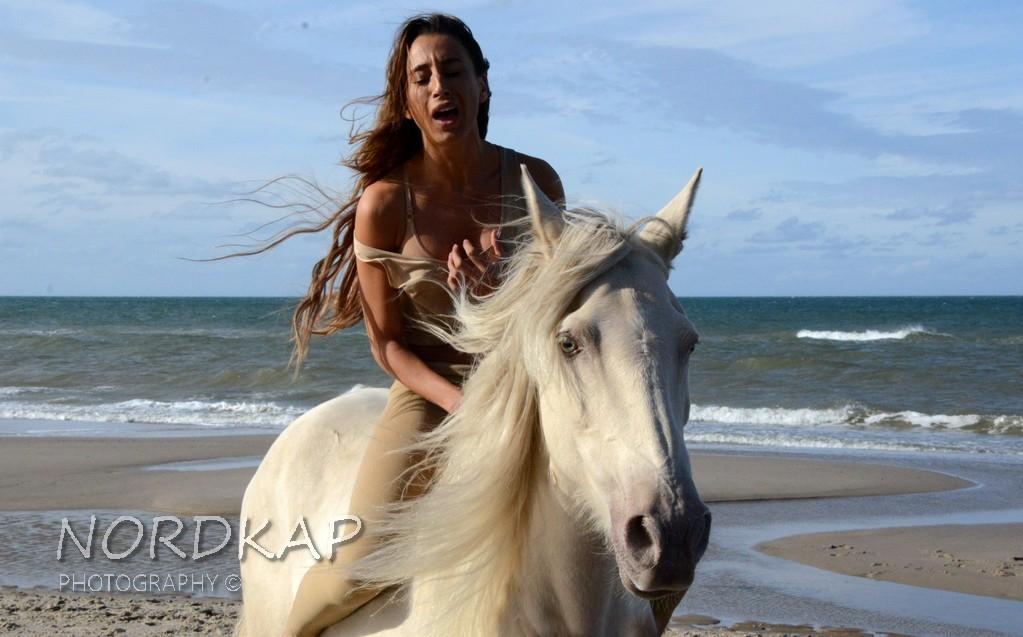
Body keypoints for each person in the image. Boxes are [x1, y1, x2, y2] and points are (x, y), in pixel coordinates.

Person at [279, 14, 564, 637]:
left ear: (483, 85)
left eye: (454, 71)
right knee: (358, 566)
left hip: (525, 385)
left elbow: (558, 310)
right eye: (422, 76)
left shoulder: (537, 183)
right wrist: (459, 401)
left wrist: (496, 298)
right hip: (431, 394)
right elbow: (387, 344)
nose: (440, 86)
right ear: (407, 102)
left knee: (644, 529)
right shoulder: (383, 203)